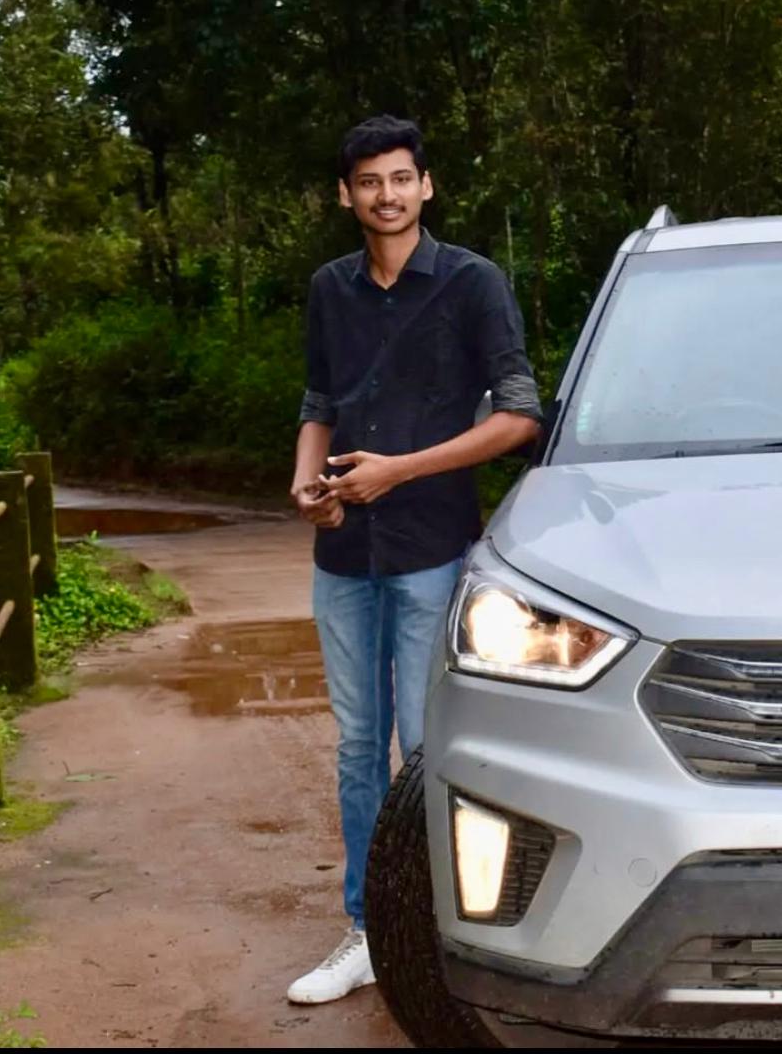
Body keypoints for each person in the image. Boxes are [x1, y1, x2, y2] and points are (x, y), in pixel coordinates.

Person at [286, 114, 542, 1004]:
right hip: (341, 555)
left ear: (425, 185)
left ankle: (437, 929)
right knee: (359, 744)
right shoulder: (329, 288)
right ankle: (366, 929)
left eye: (401, 178)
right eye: (368, 181)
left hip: (432, 547)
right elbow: (318, 402)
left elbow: (518, 416)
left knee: (427, 745)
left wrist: (398, 470)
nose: (386, 195)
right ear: (345, 194)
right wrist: (306, 484)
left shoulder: (472, 282)